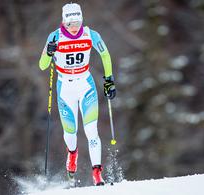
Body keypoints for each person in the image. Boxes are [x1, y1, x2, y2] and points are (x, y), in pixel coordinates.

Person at [39, 3, 116, 186]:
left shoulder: (91, 34)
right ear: (64, 22)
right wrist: (49, 53)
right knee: (70, 132)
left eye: (78, 22)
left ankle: (97, 173)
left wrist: (109, 80)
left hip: (85, 85)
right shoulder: (54, 37)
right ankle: (72, 153)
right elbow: (42, 65)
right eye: (70, 23)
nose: (74, 27)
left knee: (92, 131)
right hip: (65, 89)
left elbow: (105, 55)